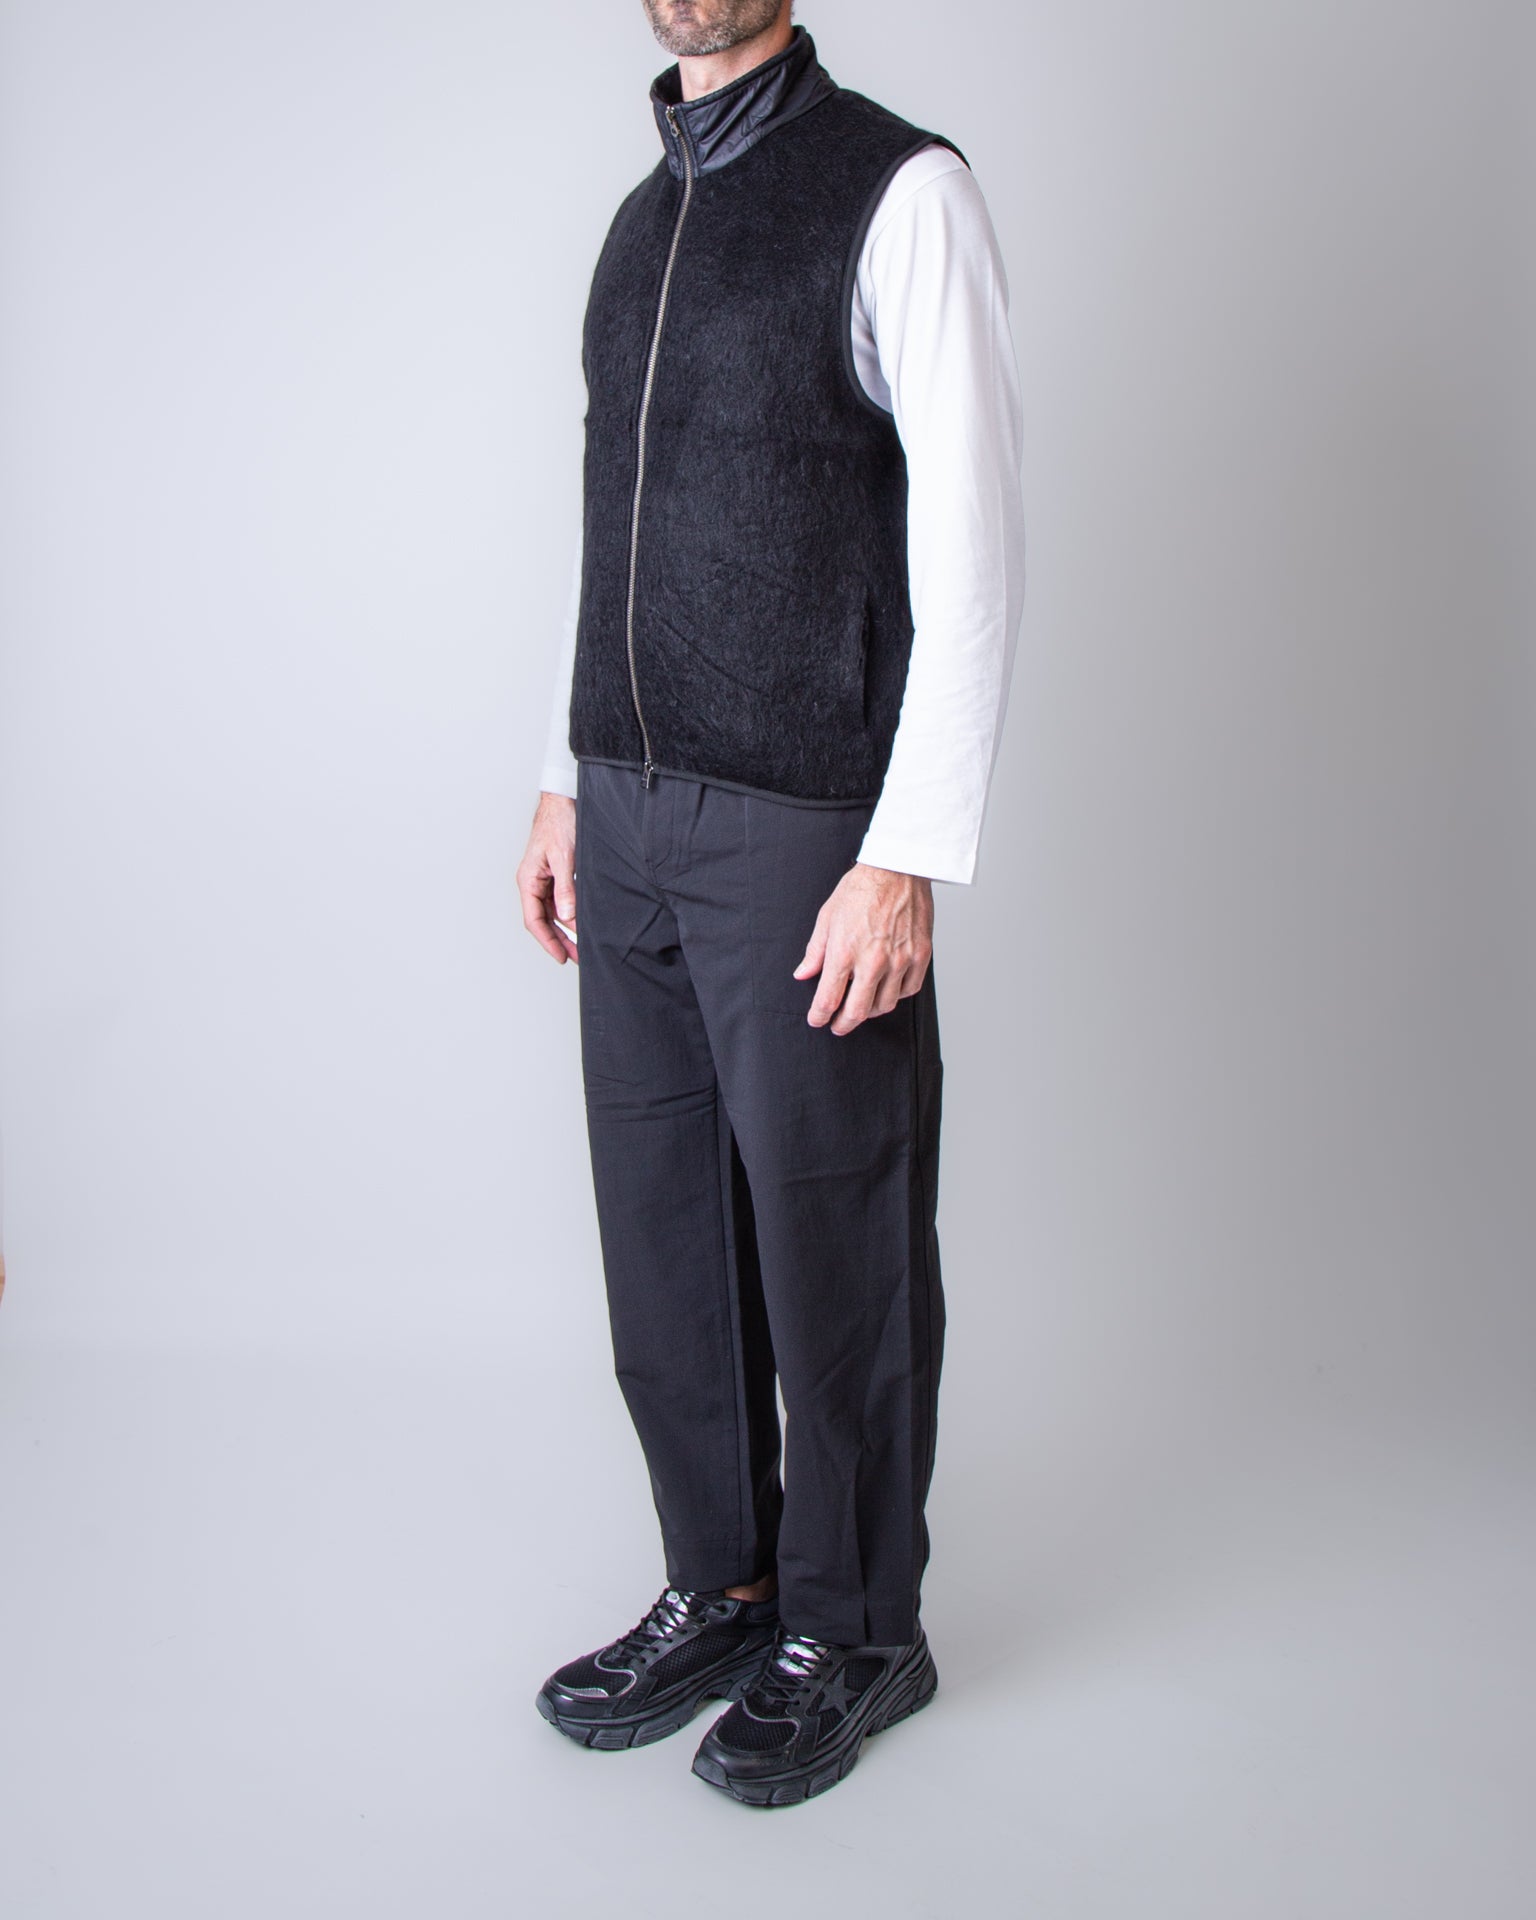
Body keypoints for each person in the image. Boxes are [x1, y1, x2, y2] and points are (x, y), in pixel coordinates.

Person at [516, 0, 1024, 1807]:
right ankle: (723, 1586)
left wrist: (911, 850)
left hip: (812, 820)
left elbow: (974, 537)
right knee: (665, 1235)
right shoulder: (640, 217)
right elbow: (617, 519)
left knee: (835, 1239)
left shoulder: (900, 189)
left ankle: (860, 1625)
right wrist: (568, 771)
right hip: (631, 810)